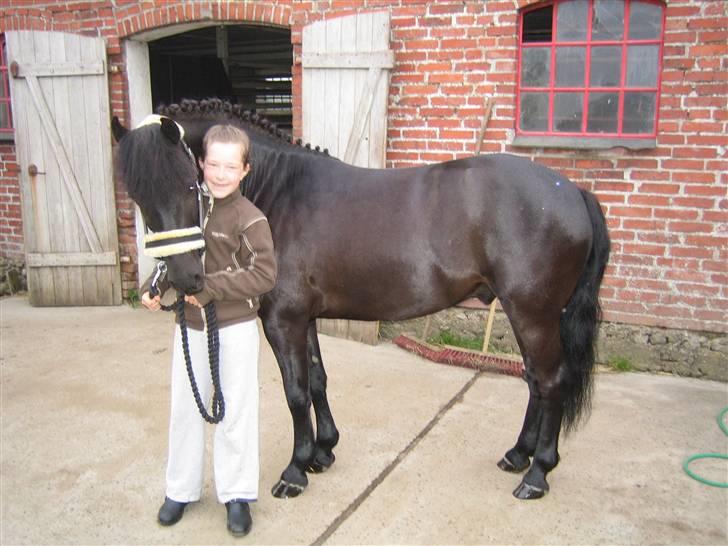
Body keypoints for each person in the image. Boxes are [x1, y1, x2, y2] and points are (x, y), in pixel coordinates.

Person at [141, 124, 277, 537]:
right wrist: (157, 283)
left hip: (234, 328)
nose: (220, 174)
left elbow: (265, 274)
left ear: (244, 170)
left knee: (235, 410)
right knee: (185, 408)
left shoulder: (251, 218)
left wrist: (211, 289)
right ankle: (180, 489)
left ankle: (236, 493)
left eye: (229, 166)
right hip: (189, 326)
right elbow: (173, 252)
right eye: (213, 164)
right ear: (200, 163)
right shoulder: (189, 207)